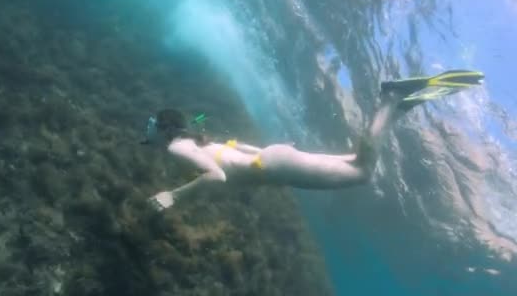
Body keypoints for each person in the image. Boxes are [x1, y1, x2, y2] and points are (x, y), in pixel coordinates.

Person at [142, 70, 484, 211]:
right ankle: (392, 108)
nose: (147, 132)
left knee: (363, 173)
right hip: (273, 160)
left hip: (275, 164)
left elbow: (217, 176)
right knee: (357, 163)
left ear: (163, 129)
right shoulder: (196, 142)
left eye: (149, 126)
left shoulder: (176, 148)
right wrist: (275, 157)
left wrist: (174, 195)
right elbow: (235, 151)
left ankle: (391, 101)